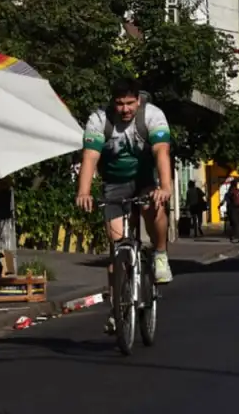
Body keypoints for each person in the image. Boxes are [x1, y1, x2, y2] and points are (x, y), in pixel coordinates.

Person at [76, 77, 174, 335]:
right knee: (117, 251)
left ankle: (160, 254)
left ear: (138, 100)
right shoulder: (99, 120)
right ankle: (117, 309)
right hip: (114, 184)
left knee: (155, 206)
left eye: (130, 103)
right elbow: (90, 156)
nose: (125, 109)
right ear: (113, 102)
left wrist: (165, 186)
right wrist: (84, 191)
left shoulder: (152, 116)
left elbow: (162, 152)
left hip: (143, 180)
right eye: (120, 104)